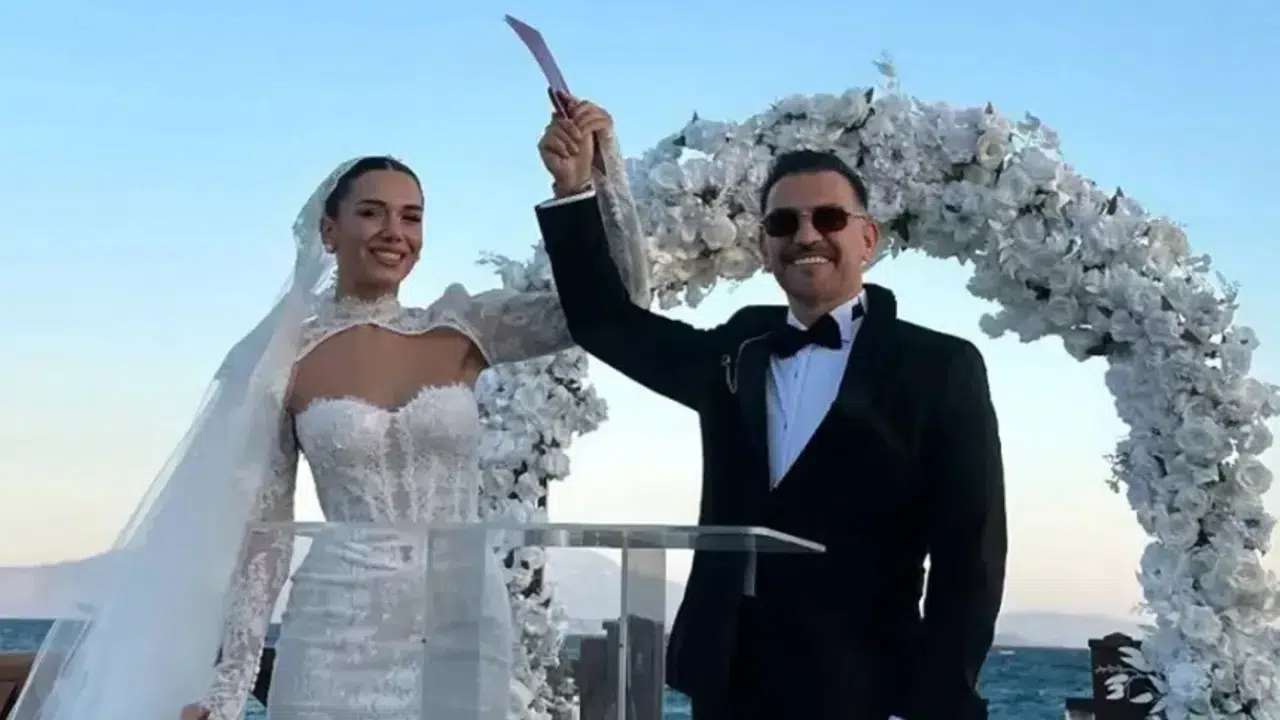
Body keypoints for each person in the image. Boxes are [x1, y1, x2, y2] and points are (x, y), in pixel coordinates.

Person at [10, 103, 648, 720]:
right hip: (336, 631)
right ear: (328, 231)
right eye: (371, 213)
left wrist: (586, 184)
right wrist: (231, 687)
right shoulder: (284, 359)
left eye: (411, 217)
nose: (394, 231)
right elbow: (264, 535)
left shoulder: (463, 329)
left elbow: (619, 313)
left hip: (464, 625)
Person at [536, 97, 1007, 720]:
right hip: (727, 684)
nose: (806, 235)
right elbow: (606, 323)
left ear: (868, 238)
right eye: (784, 223)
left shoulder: (940, 367)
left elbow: (970, 555)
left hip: (862, 690)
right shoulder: (738, 348)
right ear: (764, 246)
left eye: (829, 218)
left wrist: (940, 703)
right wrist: (573, 191)